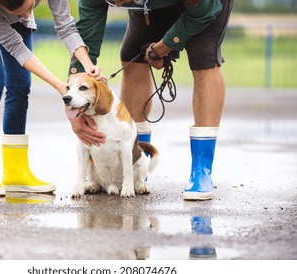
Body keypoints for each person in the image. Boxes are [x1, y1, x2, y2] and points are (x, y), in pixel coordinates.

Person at [69, 0, 234, 200]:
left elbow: (202, 13)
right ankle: (138, 164)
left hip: (204, 6)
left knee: (203, 57)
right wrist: (75, 110)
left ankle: (201, 170)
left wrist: (165, 46)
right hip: (150, 8)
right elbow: (86, 39)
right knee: (132, 54)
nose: (117, 4)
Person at [0, 0, 104, 196]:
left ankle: (15, 172)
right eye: (23, 12)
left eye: (29, 8)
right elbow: (17, 48)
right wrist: (59, 85)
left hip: (6, 7)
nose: (27, 17)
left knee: (20, 85)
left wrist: (87, 63)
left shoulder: (24, 11)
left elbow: (66, 26)